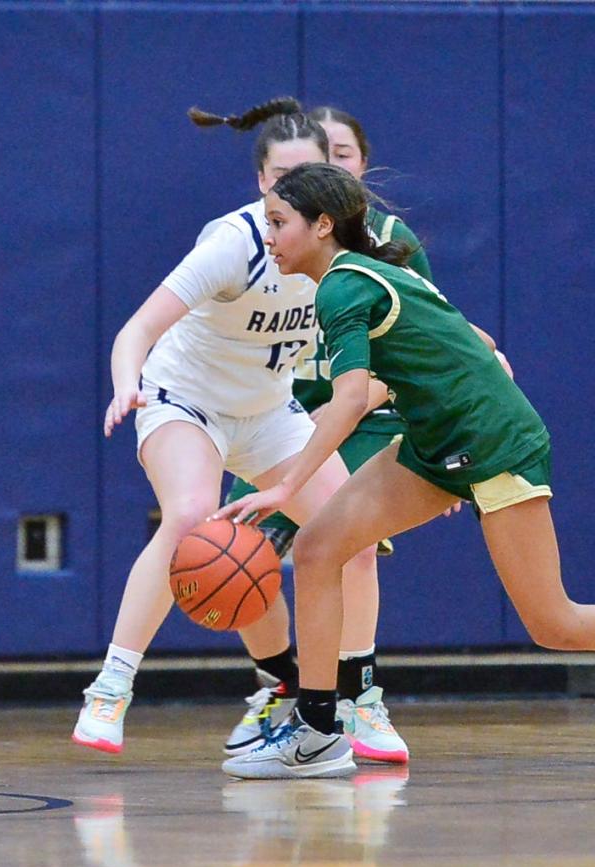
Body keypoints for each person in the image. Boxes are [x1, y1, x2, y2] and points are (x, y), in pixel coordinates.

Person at [215, 162, 595, 779]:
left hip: (491, 445)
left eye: (278, 222)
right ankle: (319, 730)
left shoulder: (342, 287)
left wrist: (285, 485)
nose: (267, 235)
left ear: (322, 224)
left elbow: (350, 397)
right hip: (438, 441)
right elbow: (472, 337)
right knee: (322, 547)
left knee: (554, 622)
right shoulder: (373, 274)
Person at [71, 100, 393, 756]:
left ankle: (357, 702)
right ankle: (111, 687)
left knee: (355, 538)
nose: (292, 190)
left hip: (269, 412)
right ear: (261, 181)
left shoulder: (350, 252)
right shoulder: (237, 244)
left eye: (307, 175)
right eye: (280, 177)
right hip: (186, 402)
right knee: (191, 514)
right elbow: (137, 328)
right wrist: (126, 383)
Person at [223, 104, 436, 764]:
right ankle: (285, 688)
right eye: (323, 158)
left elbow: (418, 344)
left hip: (365, 414)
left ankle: (359, 697)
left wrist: (341, 411)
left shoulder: (388, 239)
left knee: (350, 545)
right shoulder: (263, 241)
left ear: (360, 165)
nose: (335, 167)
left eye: (344, 154)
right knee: (235, 556)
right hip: (284, 418)